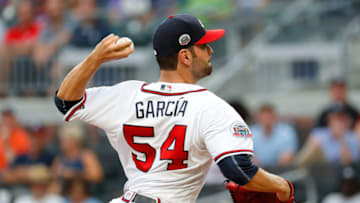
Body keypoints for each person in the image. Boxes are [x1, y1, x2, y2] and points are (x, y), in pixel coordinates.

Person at [55, 14, 293, 203]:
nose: (210, 50)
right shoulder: (211, 106)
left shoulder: (127, 95)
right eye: (204, 45)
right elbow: (237, 169)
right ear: (185, 57)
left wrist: (93, 60)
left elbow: (66, 101)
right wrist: (283, 186)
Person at [250, 104, 298, 169]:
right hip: (258, 171)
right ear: (258, 118)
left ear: (275, 117)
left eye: (269, 117)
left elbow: (288, 155)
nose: (266, 120)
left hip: (281, 170)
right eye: (264, 117)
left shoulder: (286, 132)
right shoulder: (251, 132)